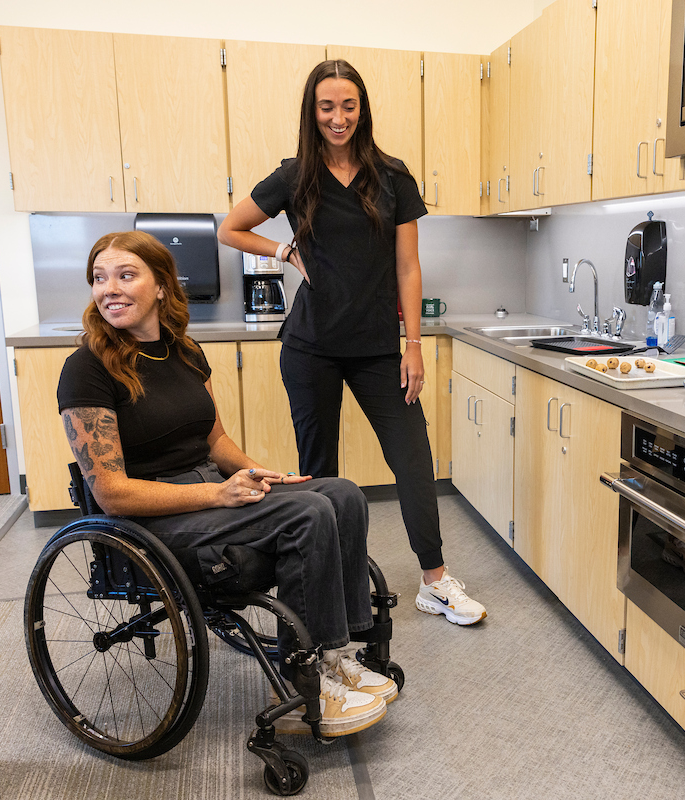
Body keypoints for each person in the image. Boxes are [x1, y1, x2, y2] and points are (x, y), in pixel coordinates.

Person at [56, 230, 396, 737]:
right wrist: (218, 492)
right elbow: (111, 493)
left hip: (210, 493)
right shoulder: (86, 369)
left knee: (340, 493)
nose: (110, 289)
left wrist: (258, 473)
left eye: (126, 275)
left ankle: (330, 656)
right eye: (99, 278)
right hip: (153, 519)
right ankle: (302, 681)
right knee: (307, 514)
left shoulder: (185, 352)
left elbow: (215, 441)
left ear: (162, 287)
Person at [218, 59, 486, 626]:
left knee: (413, 457)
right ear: (312, 113)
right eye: (326, 106)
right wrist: (282, 251)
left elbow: (408, 268)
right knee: (322, 474)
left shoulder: (392, 176)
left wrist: (412, 344)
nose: (338, 117)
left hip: (377, 350)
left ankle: (434, 582)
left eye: (348, 105)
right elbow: (230, 228)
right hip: (310, 347)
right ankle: (336, 587)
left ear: (362, 109)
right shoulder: (294, 177)